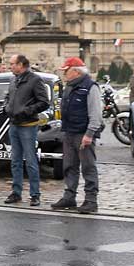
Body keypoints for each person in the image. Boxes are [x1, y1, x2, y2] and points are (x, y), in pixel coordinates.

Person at [51, 57, 103, 214]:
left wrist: (89, 134)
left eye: (66, 71)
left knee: (88, 167)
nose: (64, 74)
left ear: (76, 71)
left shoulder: (90, 87)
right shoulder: (69, 87)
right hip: (69, 132)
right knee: (69, 166)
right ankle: (69, 197)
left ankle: (91, 200)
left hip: (83, 133)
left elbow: (95, 114)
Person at [2, 54, 50, 207]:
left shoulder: (35, 80)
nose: (10, 67)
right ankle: (16, 192)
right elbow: (8, 97)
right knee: (15, 161)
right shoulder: (13, 79)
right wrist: (7, 108)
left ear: (21, 64)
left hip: (28, 126)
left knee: (31, 161)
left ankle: (35, 194)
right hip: (14, 124)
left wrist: (26, 111)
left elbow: (44, 102)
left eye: (12, 64)